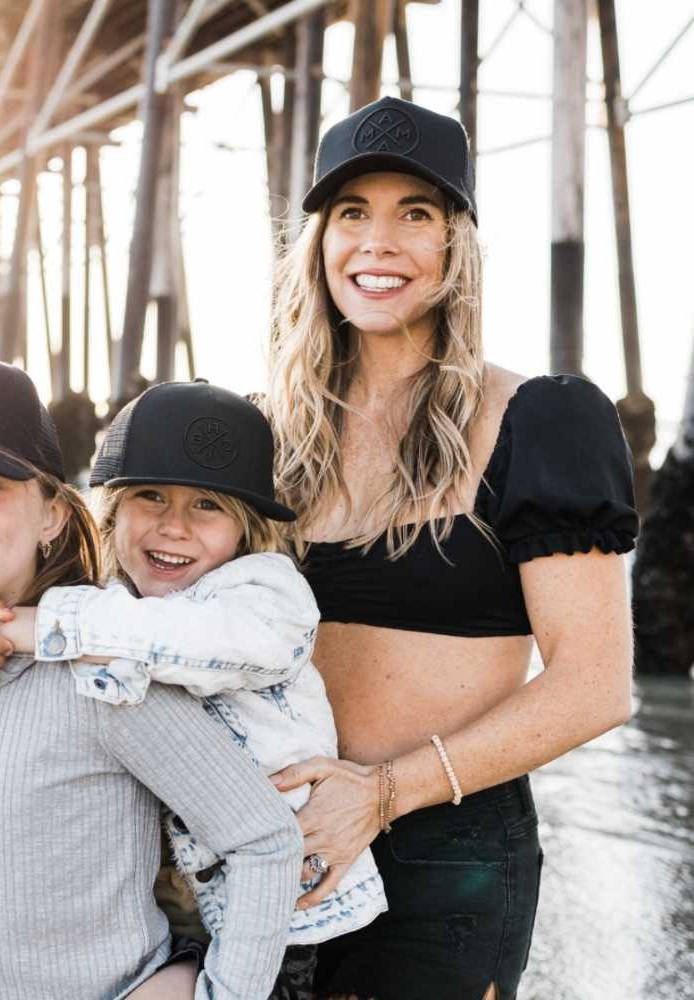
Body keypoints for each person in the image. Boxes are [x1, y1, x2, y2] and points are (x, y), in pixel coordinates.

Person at [255, 95, 638, 1000]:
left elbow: (596, 685)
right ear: (318, 244)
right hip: (270, 837)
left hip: (447, 851)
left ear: (456, 244)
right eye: (352, 213)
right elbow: (147, 592)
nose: (377, 243)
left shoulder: (539, 418)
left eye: (414, 214)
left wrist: (382, 793)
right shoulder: (265, 435)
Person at [0, 380, 388, 1000]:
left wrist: (28, 626)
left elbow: (180, 638)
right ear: (113, 511)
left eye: (207, 505)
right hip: (180, 890)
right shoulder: (115, 609)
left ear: (247, 526)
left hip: (285, 909)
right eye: (150, 496)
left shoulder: (263, 600)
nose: (173, 527)